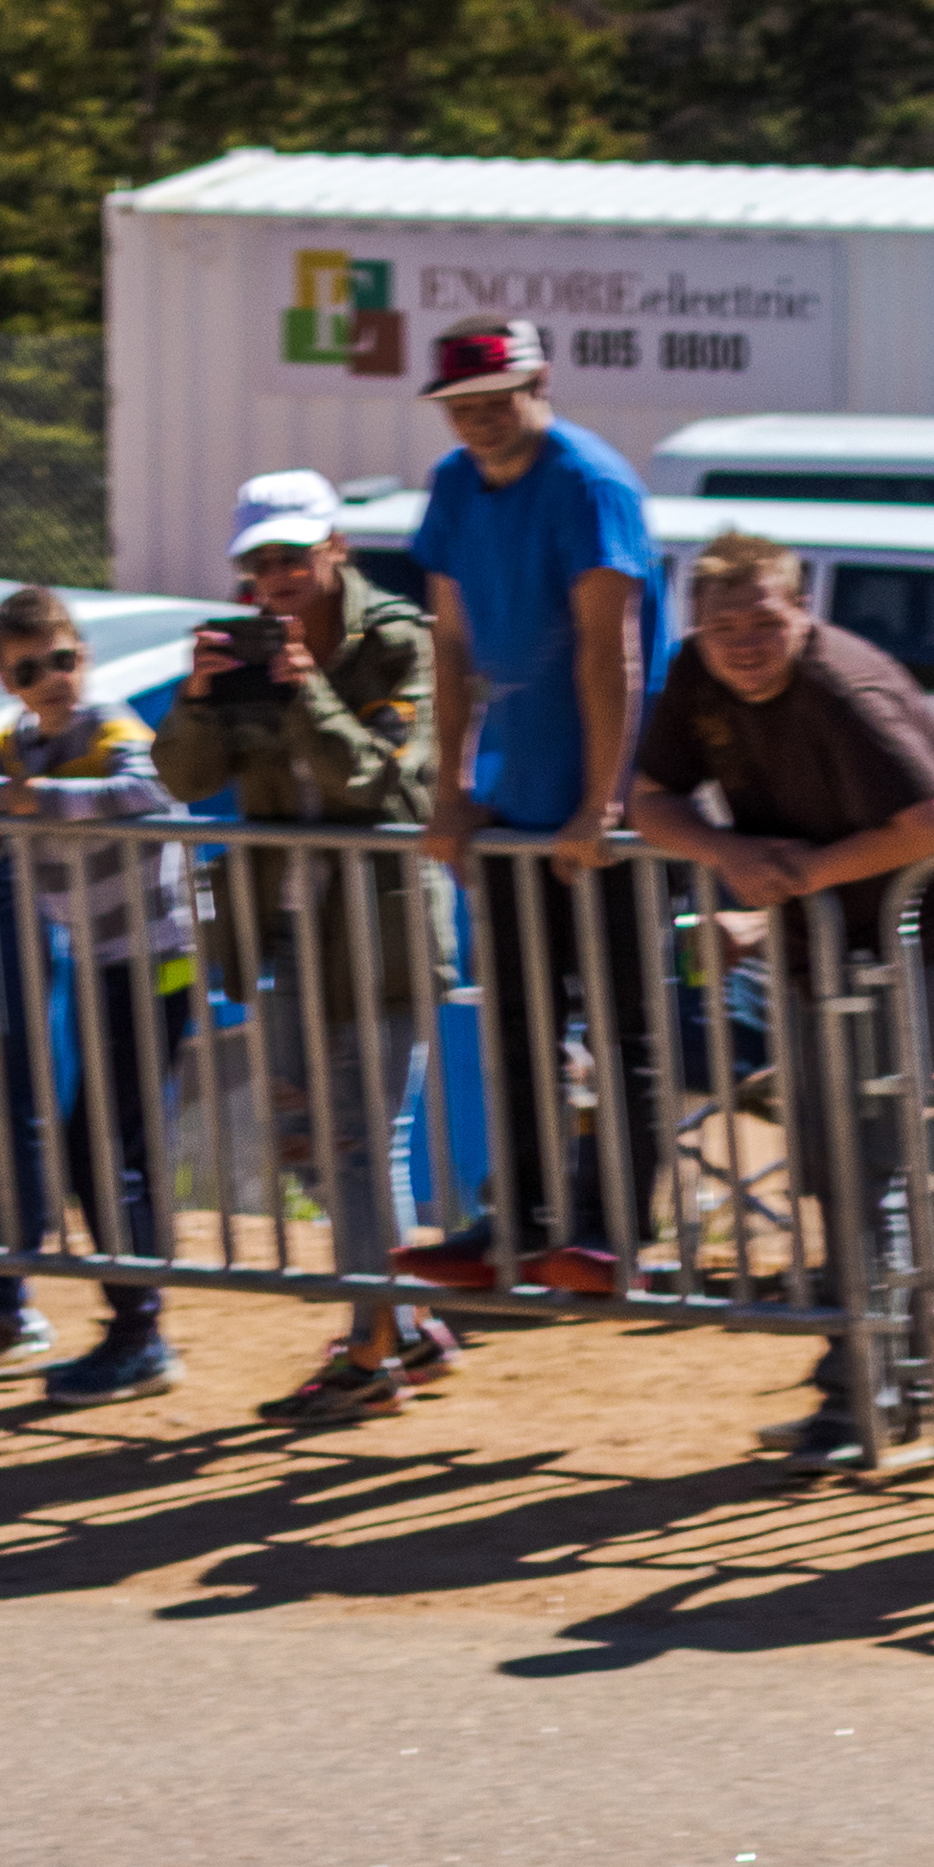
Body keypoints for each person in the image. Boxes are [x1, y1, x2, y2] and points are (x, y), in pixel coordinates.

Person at [628, 525, 934, 1471]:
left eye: (763, 620)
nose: (743, 641)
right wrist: (731, 855)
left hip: (923, 938)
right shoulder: (697, 676)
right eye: (721, 624)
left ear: (802, 612)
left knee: (873, 1162)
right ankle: (880, 1384)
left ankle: (872, 1394)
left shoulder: (843, 687)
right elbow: (647, 799)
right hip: (818, 946)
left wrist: (804, 876)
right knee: (834, 1163)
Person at [156, 463, 451, 1423]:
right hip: (279, 926)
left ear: (336, 548)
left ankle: (372, 1351)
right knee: (305, 1146)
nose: (275, 578)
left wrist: (309, 690)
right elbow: (183, 778)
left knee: (367, 1144)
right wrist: (201, 698)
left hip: (379, 922)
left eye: (292, 555)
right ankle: (399, 1320)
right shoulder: (241, 645)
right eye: (258, 563)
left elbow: (383, 783)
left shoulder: (400, 641)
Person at [410, 316, 666, 1299]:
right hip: (518, 801)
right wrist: (452, 793)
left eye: (494, 400)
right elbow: (450, 646)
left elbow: (614, 650)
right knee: (514, 1019)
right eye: (459, 407)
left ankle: (614, 1233)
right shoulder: (451, 487)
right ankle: (514, 1223)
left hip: (609, 804)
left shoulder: (589, 480)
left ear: (540, 383)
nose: (476, 421)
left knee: (622, 1024)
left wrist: (601, 805)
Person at [0, 584, 195, 1408]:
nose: (52, 679)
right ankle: (133, 1323)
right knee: (92, 1147)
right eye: (30, 669)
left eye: (62, 660)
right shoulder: (16, 746)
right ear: (9, 681)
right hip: (102, 961)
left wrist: (40, 804)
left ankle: (141, 1330)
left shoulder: (111, 728)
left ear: (86, 656)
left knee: (114, 1151)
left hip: (159, 961)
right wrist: (14, 797)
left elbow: (150, 791)